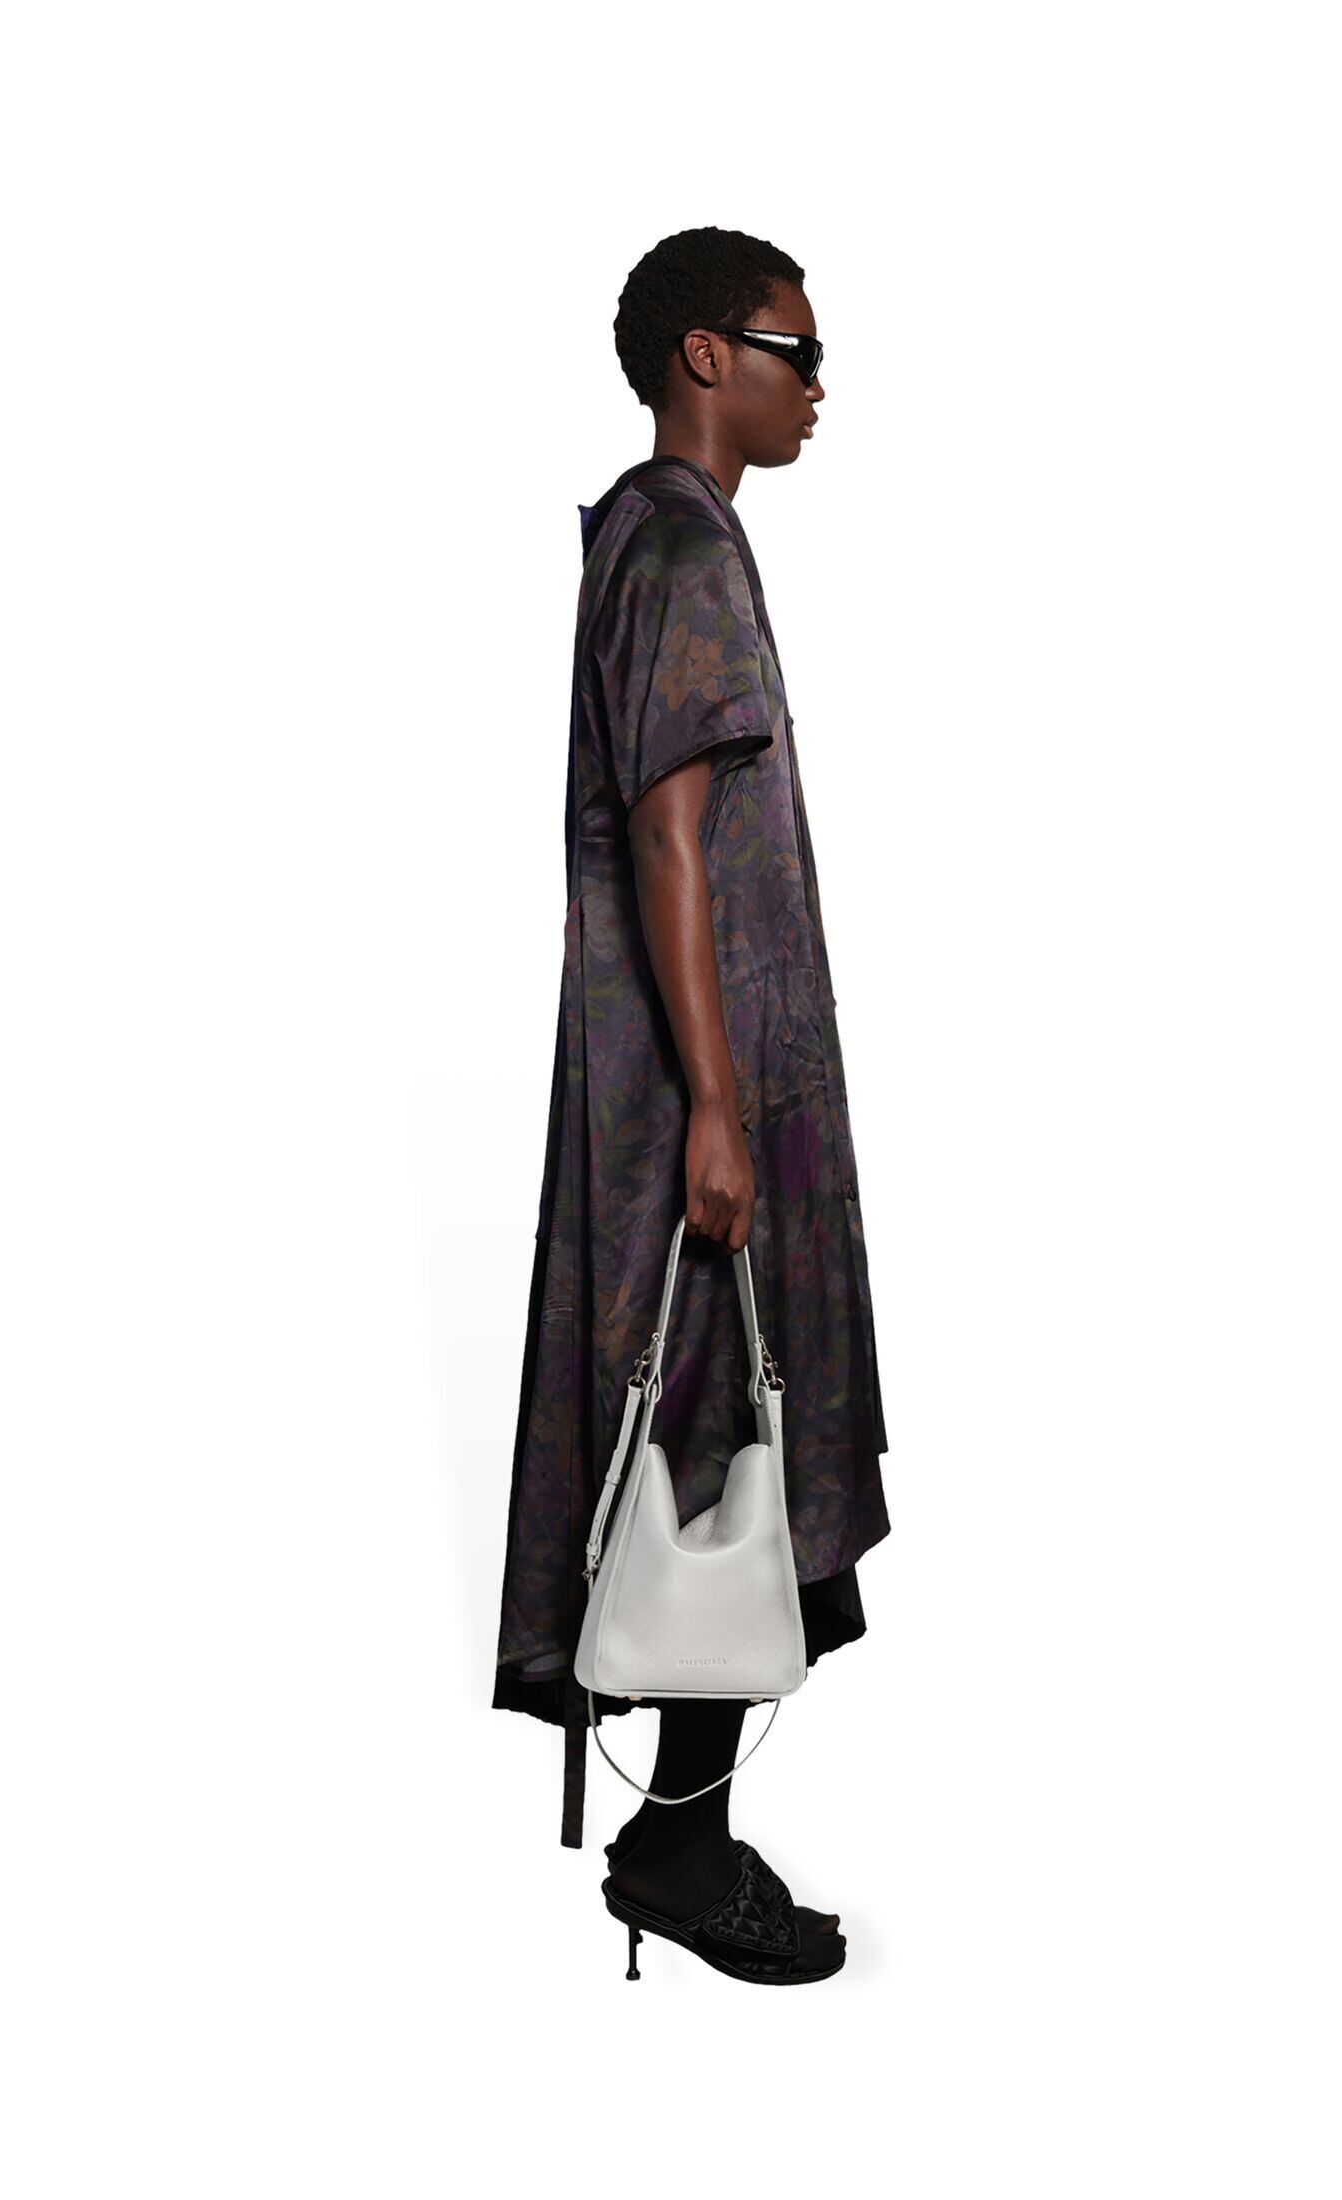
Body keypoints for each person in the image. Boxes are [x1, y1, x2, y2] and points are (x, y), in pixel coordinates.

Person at [491, 226, 891, 1985]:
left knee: (721, 1435)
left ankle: (685, 1835)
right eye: (794, 351)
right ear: (702, 359)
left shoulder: (671, 541)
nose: (819, 386)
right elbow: (666, 836)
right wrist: (719, 1108)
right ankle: (676, 1851)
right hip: (693, 1094)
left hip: (706, 1076)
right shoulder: (677, 543)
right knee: (718, 1434)